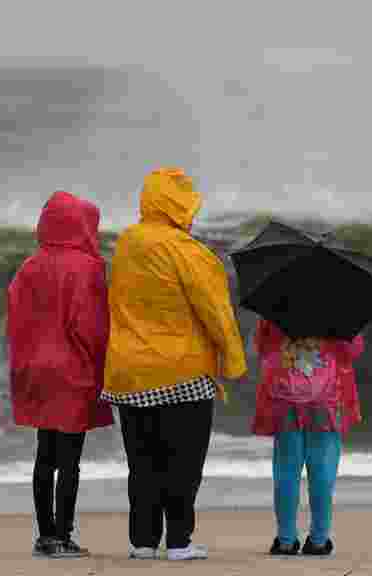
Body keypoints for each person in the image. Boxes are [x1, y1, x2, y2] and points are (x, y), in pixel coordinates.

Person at [101, 168, 247, 561]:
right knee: (183, 464)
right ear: (178, 206)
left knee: (142, 463)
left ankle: (143, 542)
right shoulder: (190, 253)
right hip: (183, 373)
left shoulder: (127, 243)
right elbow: (216, 313)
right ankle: (179, 541)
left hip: (128, 372)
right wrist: (233, 361)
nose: (193, 215)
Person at [6, 191, 113, 558]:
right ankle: (64, 536)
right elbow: (92, 329)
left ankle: (45, 536)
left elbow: (16, 320)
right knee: (69, 459)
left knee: (44, 455)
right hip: (72, 371)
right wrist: (101, 367)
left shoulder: (29, 266)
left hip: (35, 369)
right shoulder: (88, 268)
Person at [252, 319, 364, 556]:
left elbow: (262, 347)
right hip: (326, 402)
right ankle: (319, 540)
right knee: (323, 473)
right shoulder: (338, 311)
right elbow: (353, 350)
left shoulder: (277, 308)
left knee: (286, 474)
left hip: (286, 400)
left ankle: (285, 540)